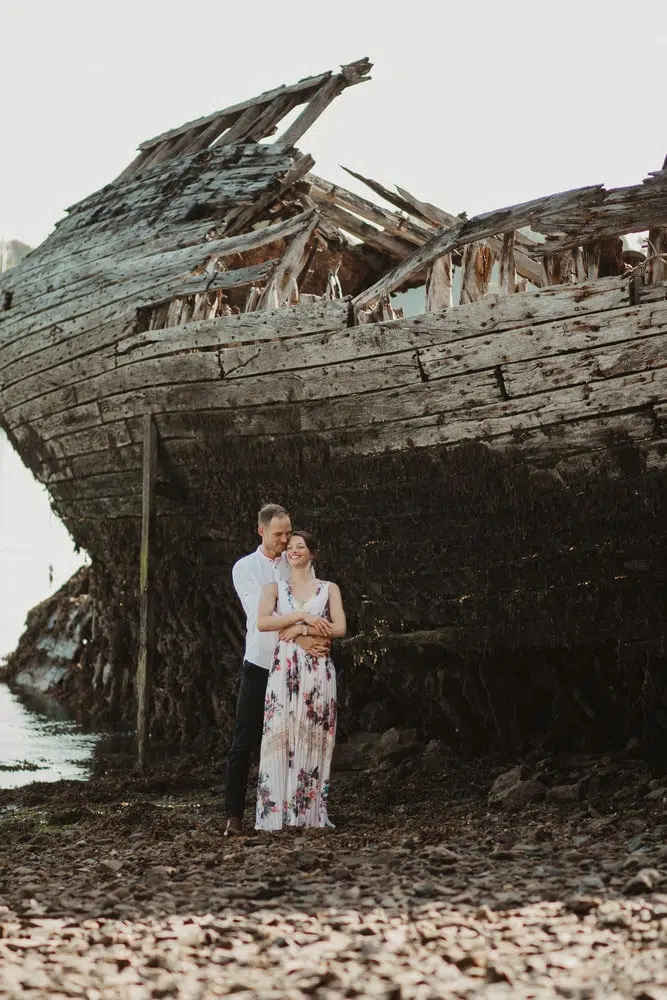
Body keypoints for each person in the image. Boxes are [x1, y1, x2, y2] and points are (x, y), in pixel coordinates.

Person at [224, 505, 329, 837]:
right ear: (261, 531)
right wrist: (302, 632)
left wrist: (310, 640)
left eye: (289, 533)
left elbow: (309, 605)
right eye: (279, 534)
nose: (286, 540)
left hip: (295, 663)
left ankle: (293, 813)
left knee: (295, 738)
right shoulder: (246, 568)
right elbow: (263, 615)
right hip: (260, 660)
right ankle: (233, 817)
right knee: (245, 739)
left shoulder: (295, 560)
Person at [255, 530, 346, 830]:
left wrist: (301, 633)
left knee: (312, 736)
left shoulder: (329, 588)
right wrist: (302, 620)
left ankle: (308, 814)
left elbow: (340, 628)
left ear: (312, 553)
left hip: (318, 670)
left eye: (300, 546)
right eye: (290, 547)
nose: (294, 551)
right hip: (285, 670)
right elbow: (264, 622)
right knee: (281, 734)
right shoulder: (275, 588)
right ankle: (277, 815)